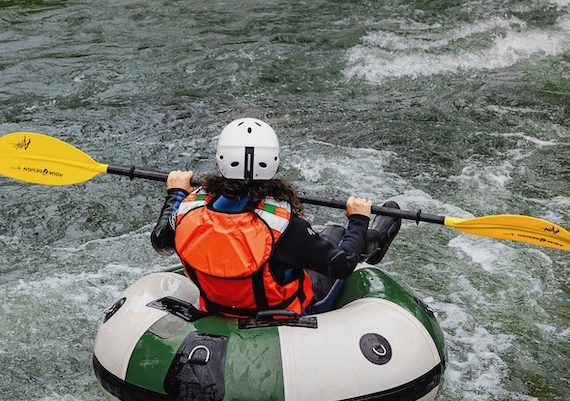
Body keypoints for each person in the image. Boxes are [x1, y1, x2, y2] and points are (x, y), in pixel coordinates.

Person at [150, 117, 400, 317]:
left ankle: (372, 239)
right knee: (336, 233)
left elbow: (161, 239)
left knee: (329, 235)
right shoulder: (282, 227)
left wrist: (175, 193)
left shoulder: (187, 209)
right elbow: (342, 265)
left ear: (221, 159)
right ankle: (376, 238)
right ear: (274, 163)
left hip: (216, 306)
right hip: (281, 314)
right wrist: (358, 219)